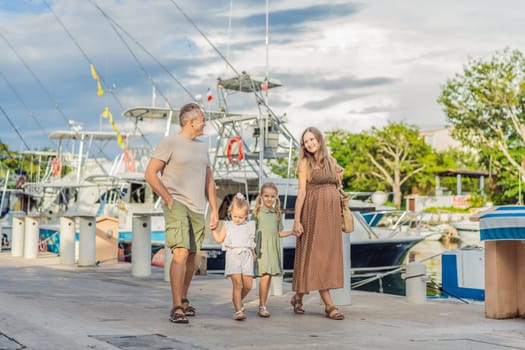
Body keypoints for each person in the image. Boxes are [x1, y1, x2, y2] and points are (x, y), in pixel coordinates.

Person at [145, 102, 218, 324]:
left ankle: (184, 298)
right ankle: (176, 305)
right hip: (176, 202)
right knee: (181, 252)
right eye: (202, 118)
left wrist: (214, 209)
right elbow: (150, 174)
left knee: (192, 256)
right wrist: (168, 198)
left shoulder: (202, 147)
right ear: (190, 122)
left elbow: (209, 180)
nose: (205, 122)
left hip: (198, 207)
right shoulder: (170, 142)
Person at [291, 126, 345, 320]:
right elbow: (302, 192)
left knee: (327, 257)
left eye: (312, 139)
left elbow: (336, 185)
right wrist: (297, 221)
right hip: (313, 213)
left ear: (320, 140)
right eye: (306, 141)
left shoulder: (332, 161)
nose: (310, 143)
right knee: (316, 257)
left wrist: (340, 175)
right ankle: (329, 306)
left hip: (330, 215)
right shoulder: (304, 164)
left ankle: (298, 296)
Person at [211, 193, 256, 321]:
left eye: (241, 217)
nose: (237, 219)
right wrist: (213, 229)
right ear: (231, 213)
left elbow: (250, 242)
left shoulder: (249, 226)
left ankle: (236, 299)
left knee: (248, 285)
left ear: (246, 215)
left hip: (246, 256)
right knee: (238, 285)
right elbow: (219, 239)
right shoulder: (228, 225)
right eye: (235, 216)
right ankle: (238, 310)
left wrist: (253, 253)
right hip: (233, 255)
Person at [253, 182, 294, 318]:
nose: (269, 199)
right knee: (263, 277)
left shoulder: (276, 214)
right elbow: (251, 233)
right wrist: (252, 250)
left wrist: (292, 232)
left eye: (272, 196)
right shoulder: (257, 213)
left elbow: (279, 233)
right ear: (261, 196)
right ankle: (258, 306)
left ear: (276, 197)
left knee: (268, 277)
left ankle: (262, 305)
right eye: (266, 196)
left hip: (272, 249)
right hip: (261, 249)